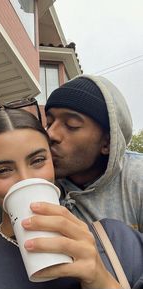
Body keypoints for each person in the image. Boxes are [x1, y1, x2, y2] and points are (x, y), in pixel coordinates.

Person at [0, 102, 143, 289]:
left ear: (52, 163)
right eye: (3, 170)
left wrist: (102, 280)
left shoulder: (118, 241)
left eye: (37, 161)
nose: (25, 179)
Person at [45, 74, 143, 232]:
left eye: (71, 125)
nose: (51, 134)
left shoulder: (137, 181)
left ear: (108, 142)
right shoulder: (41, 180)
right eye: (49, 123)